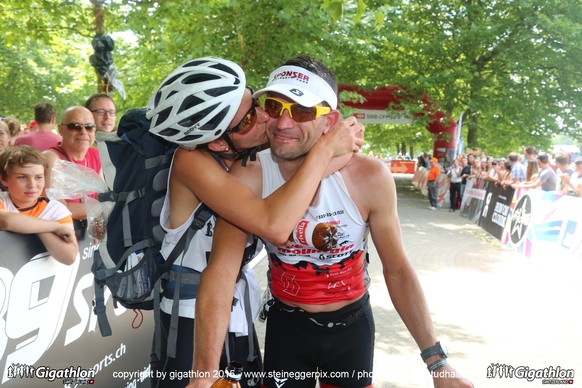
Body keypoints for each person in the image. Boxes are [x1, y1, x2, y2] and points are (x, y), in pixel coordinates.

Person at [191, 55, 472, 388]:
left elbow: (397, 270)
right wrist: (204, 373)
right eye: (275, 106)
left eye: (302, 111)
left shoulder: (368, 176)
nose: (283, 123)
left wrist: (437, 363)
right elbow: (221, 272)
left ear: (330, 121)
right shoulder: (249, 173)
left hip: (351, 332)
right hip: (287, 329)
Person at [144, 57, 363, 388]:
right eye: (248, 120)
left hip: (235, 311)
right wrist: (324, 153)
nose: (265, 118)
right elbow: (273, 224)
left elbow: (342, 150)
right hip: (189, 318)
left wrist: (332, 145)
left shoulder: (246, 150)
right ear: (218, 142)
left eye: (257, 103)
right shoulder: (192, 162)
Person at [0, 145, 77, 264]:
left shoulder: (55, 209)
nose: (32, 185)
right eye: (22, 177)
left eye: (38, 177)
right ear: (4, 179)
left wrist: (38, 228)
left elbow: (69, 257)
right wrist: (55, 227)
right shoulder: (2, 201)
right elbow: (6, 221)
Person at [42, 106, 103, 222]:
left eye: (89, 127)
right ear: (61, 129)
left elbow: (103, 197)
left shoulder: (96, 155)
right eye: (75, 126)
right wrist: (103, 208)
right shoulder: (51, 158)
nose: (83, 132)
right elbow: (59, 209)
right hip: (63, 233)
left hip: (91, 234)